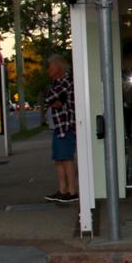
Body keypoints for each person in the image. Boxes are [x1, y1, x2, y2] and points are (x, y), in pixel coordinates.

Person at [42, 54, 79, 207]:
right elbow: (51, 100)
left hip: (66, 126)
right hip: (58, 126)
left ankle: (71, 191)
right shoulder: (58, 83)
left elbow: (48, 97)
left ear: (58, 67)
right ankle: (62, 190)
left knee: (66, 158)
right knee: (58, 159)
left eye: (50, 67)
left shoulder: (66, 82)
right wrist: (54, 101)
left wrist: (54, 101)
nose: (48, 70)